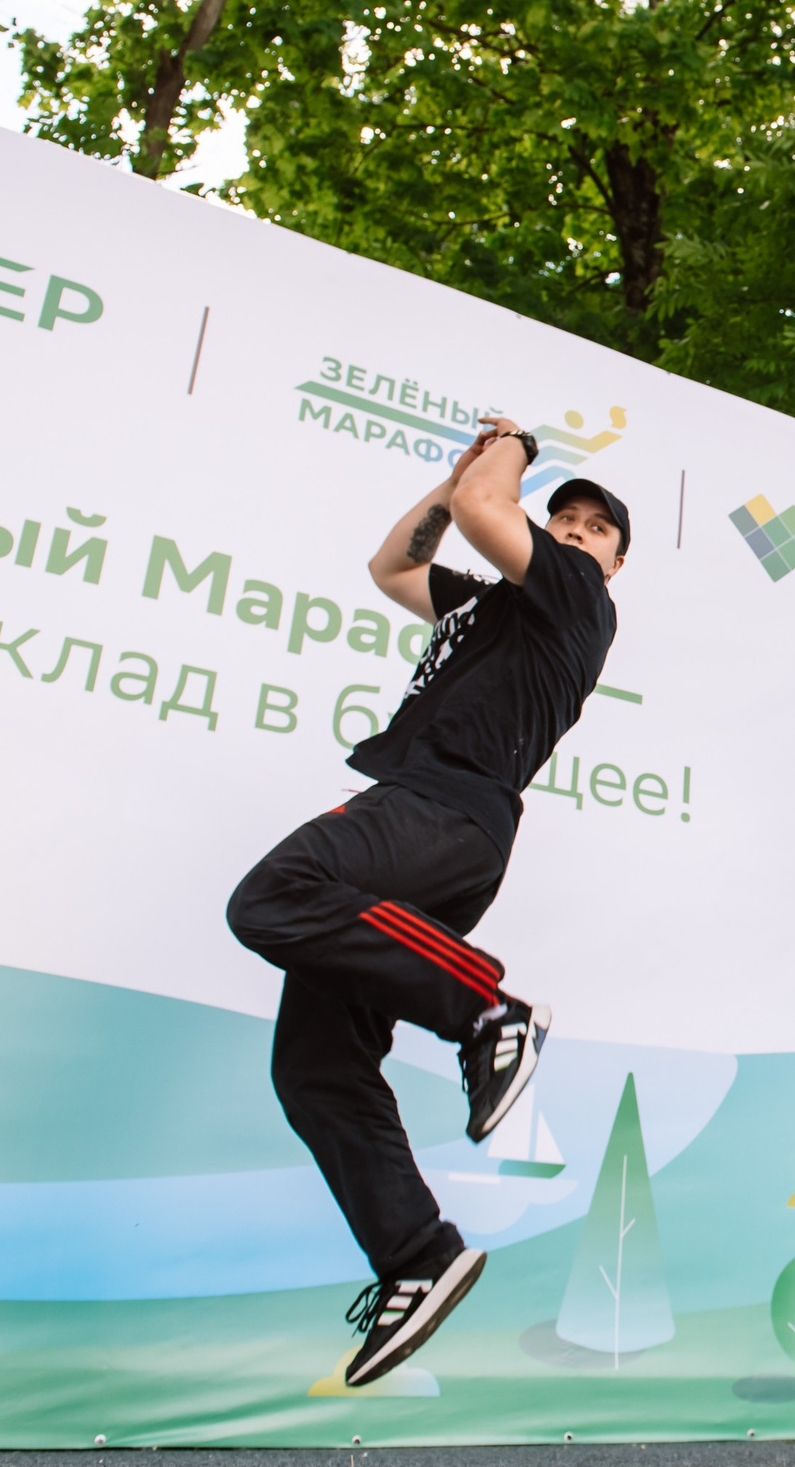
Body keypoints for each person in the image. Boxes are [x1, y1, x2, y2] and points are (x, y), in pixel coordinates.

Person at [225, 419, 626, 1386]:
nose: (573, 532)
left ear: (612, 564)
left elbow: (494, 509)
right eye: (563, 520)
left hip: (447, 809)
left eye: (595, 529)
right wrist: (453, 486)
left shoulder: (572, 598)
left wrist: (517, 449)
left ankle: (488, 1011)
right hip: (423, 820)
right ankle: (416, 1254)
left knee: (276, 894)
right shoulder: (487, 606)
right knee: (317, 1069)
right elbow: (391, 569)